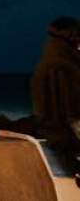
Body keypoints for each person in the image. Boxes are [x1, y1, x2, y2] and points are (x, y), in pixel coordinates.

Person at [31, 16, 80, 179]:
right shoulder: (63, 67)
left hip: (53, 128)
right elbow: (71, 114)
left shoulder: (51, 62)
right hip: (62, 132)